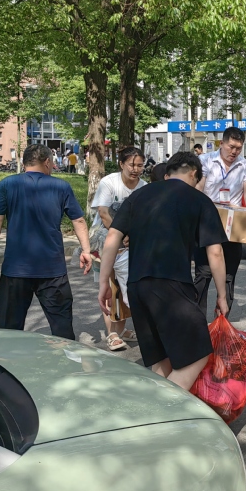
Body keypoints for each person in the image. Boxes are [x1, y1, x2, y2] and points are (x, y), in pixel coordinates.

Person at [97, 152, 229, 391]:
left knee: (161, 359)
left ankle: (161, 408)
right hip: (172, 285)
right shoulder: (199, 200)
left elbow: (113, 236)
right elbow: (215, 252)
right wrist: (222, 294)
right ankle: (161, 407)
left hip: (137, 286)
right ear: (194, 174)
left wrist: (104, 281)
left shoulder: (139, 195)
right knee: (198, 352)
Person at [0, 144, 92, 339]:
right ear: (47, 162)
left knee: (8, 332)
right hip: (53, 270)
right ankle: (66, 358)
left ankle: (8, 358)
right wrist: (86, 250)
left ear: (24, 162)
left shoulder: (7, 184)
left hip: (15, 270)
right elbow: (78, 221)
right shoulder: (61, 186)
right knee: (62, 329)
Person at [90, 146, 146, 351]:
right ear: (121, 164)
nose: (135, 169)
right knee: (108, 286)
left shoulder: (144, 187)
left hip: (131, 243)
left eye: (140, 165)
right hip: (105, 240)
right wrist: (121, 235)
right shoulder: (109, 183)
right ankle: (111, 333)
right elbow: (104, 213)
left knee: (126, 287)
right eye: (131, 164)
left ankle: (120, 329)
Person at [195, 127, 246, 314]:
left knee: (229, 275)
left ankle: (222, 322)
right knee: (203, 274)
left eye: (238, 148)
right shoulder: (205, 160)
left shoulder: (245, 165)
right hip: (207, 222)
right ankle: (197, 321)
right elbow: (198, 188)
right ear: (221, 143)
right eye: (231, 147)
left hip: (233, 224)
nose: (234, 152)